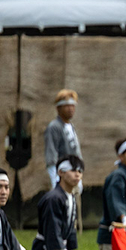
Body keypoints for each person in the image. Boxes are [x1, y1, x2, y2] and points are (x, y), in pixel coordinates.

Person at [44, 89, 83, 236]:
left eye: (73, 105)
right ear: (58, 107)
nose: (71, 108)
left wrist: (79, 173)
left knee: (71, 209)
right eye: (67, 105)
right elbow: (51, 154)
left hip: (73, 173)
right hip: (62, 174)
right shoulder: (54, 127)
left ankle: (70, 236)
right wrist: (55, 177)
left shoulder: (70, 127)